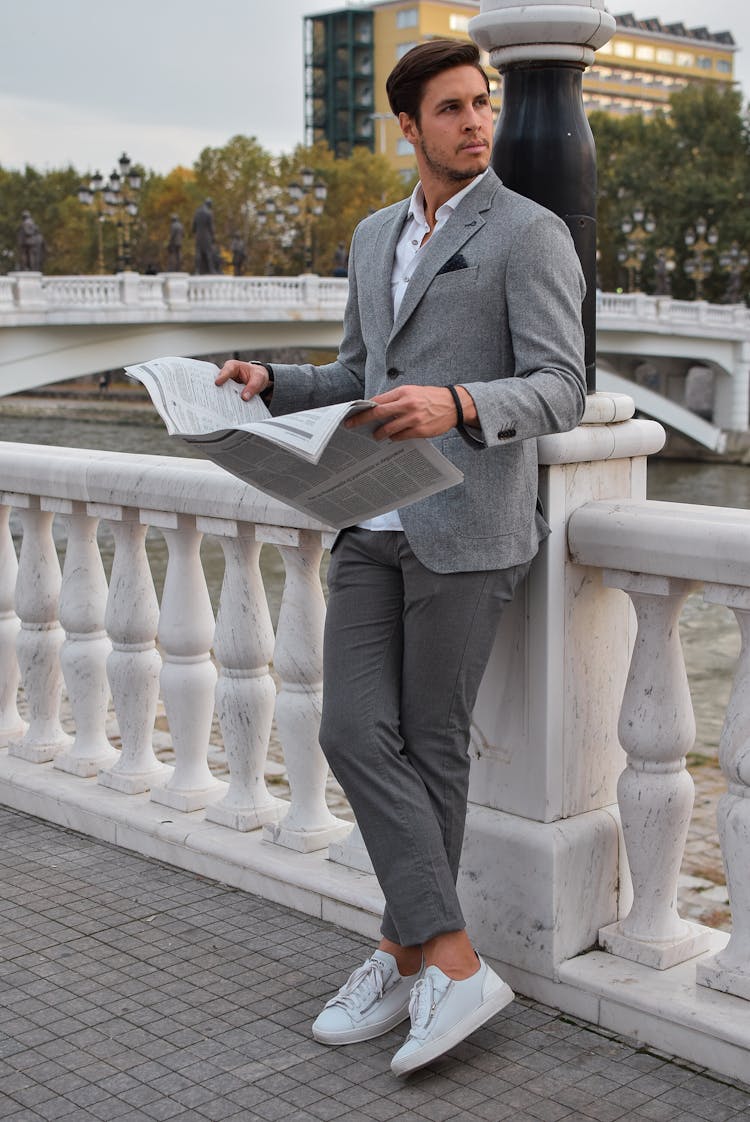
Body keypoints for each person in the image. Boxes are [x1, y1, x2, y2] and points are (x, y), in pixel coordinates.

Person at [215, 39, 586, 1076]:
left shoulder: (530, 234)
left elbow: (562, 387)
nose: (476, 122)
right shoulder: (376, 233)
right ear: (408, 127)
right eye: (453, 108)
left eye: (483, 104)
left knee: (431, 746)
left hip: (469, 529)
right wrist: (268, 381)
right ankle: (449, 959)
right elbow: (354, 371)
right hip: (368, 519)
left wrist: (460, 403)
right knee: (346, 729)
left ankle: (402, 950)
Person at [192, 199, 216, 274]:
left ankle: (197, 270)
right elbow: (211, 226)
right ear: (209, 205)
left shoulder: (197, 212)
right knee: (209, 252)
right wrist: (213, 236)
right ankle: (212, 270)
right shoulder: (209, 213)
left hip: (198, 235)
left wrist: (195, 232)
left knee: (198, 252)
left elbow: (193, 226)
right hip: (206, 235)